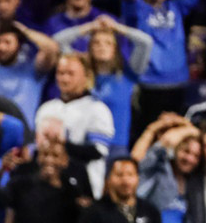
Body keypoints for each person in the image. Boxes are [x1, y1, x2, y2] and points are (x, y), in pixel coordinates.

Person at [122, 0, 206, 136]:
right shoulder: (136, 8)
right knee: (148, 134)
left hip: (179, 82)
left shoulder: (175, 6)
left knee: (176, 135)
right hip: (149, 83)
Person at [54, 15, 153, 154]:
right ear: (90, 47)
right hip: (84, 143)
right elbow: (57, 42)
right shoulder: (81, 72)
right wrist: (90, 27)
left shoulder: (128, 75)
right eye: (96, 43)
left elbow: (146, 42)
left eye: (108, 43)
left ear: (115, 48)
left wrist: (117, 28)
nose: (102, 47)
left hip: (116, 146)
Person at [35, 52, 115, 198]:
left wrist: (61, 145)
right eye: (60, 73)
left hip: (82, 191)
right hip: (47, 189)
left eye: (71, 73)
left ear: (86, 76)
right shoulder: (46, 109)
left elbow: (98, 151)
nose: (64, 78)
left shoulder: (97, 109)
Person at [132, 114, 200, 223]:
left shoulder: (193, 183)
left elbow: (199, 134)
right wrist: (156, 128)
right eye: (186, 151)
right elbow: (136, 160)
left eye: (196, 156)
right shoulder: (157, 169)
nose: (190, 159)